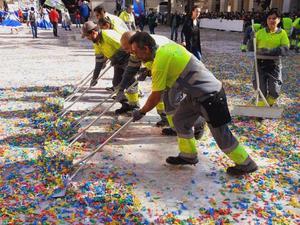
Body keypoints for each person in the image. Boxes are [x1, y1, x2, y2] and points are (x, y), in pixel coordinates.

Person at [129, 32, 258, 176]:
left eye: (135, 52)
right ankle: (188, 155)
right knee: (180, 120)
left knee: (222, 135)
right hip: (194, 95)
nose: (134, 55)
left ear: (146, 48)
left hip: (211, 96)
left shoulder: (160, 61)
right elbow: (169, 69)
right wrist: (148, 70)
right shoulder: (166, 48)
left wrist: (141, 112)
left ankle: (247, 164)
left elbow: (156, 96)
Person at [81, 21, 131, 114]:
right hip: (117, 61)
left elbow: (126, 46)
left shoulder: (108, 35)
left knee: (129, 82)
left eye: (87, 36)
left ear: (93, 32)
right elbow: (99, 61)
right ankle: (126, 103)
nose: (87, 38)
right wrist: (95, 78)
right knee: (116, 83)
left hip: (128, 58)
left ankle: (134, 105)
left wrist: (117, 57)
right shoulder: (96, 42)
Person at [254, 9, 290, 107]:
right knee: (260, 86)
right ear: (266, 20)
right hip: (259, 63)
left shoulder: (282, 33)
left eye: (274, 18)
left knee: (275, 88)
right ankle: (261, 111)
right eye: (269, 18)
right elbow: (251, 47)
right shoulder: (260, 32)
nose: (271, 20)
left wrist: (269, 51)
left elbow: (285, 49)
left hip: (274, 64)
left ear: (279, 20)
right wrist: (250, 40)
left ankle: (268, 103)